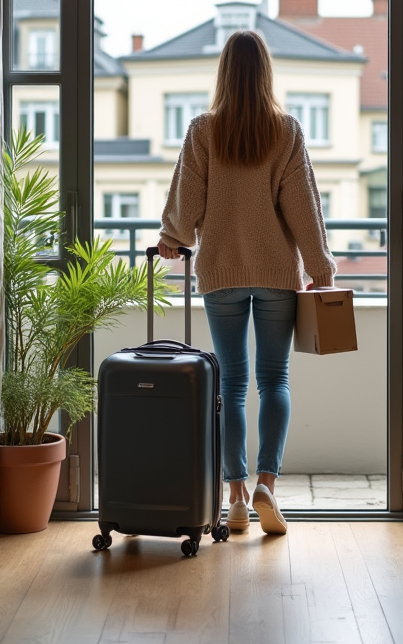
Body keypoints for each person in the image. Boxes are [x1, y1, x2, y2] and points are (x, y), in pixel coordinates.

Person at [157, 29, 335, 536]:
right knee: (274, 380)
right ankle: (266, 486)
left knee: (230, 385)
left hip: (220, 272)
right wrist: (320, 270)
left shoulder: (202, 130)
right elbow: (304, 208)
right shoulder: (287, 131)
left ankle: (235, 497)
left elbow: (187, 200)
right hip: (277, 274)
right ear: (265, 73)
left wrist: (172, 238)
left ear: (224, 74)